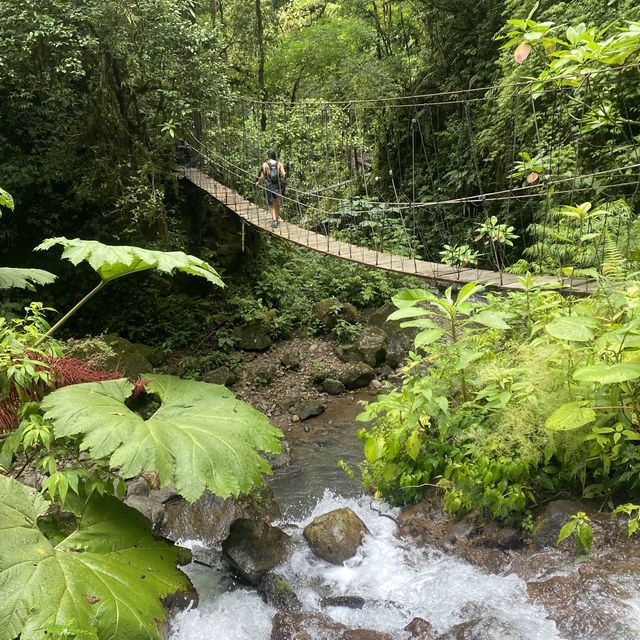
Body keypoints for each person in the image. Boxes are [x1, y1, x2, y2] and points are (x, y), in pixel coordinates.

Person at [255, 149, 286, 228]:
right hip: (277, 186)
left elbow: (262, 176)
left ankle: (274, 220)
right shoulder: (279, 164)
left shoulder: (265, 164)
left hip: (269, 186)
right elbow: (284, 174)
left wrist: (258, 183)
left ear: (268, 156)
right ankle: (277, 218)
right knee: (277, 203)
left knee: (270, 203)